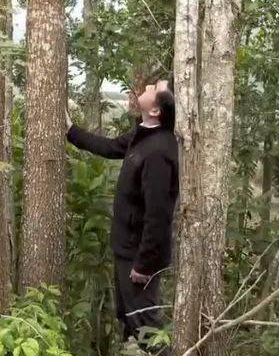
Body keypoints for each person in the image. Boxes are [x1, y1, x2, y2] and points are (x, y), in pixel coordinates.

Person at [65, 79, 179, 354]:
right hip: (127, 249)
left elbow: (158, 215)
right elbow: (110, 147)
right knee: (129, 321)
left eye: (154, 89)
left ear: (156, 111)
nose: (148, 86)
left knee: (146, 328)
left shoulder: (159, 151)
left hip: (140, 258)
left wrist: (144, 264)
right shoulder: (142, 136)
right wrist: (70, 131)